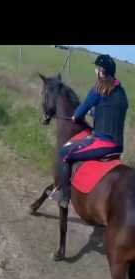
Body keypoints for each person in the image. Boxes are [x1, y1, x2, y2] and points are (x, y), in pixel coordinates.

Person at [50, 54, 129, 208]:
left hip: (103, 143)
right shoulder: (121, 92)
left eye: (97, 69)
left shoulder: (98, 88)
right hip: (118, 146)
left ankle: (64, 195)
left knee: (64, 153)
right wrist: (94, 112)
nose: (96, 71)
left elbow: (81, 111)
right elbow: (108, 111)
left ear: (101, 71)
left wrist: (75, 117)